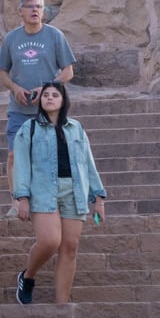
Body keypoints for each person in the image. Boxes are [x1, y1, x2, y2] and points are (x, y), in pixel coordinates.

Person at [12, 81, 107, 305]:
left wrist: (99, 198)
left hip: (74, 192)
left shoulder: (76, 128)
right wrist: (22, 197)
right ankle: (27, 277)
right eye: (46, 95)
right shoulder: (29, 129)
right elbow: (21, 165)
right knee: (50, 241)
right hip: (43, 192)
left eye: (55, 95)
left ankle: (62, 306)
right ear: (41, 100)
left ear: (63, 100)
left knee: (70, 247)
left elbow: (88, 163)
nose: (50, 98)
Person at [0, 0, 75, 217]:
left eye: (39, 7)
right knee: (13, 155)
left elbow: (68, 71)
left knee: (48, 155)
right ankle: (15, 202)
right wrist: (15, 88)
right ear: (20, 11)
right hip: (19, 109)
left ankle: (48, 201)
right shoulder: (11, 39)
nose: (34, 11)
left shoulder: (55, 36)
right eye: (30, 6)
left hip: (48, 110)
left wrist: (47, 87)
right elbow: (2, 73)